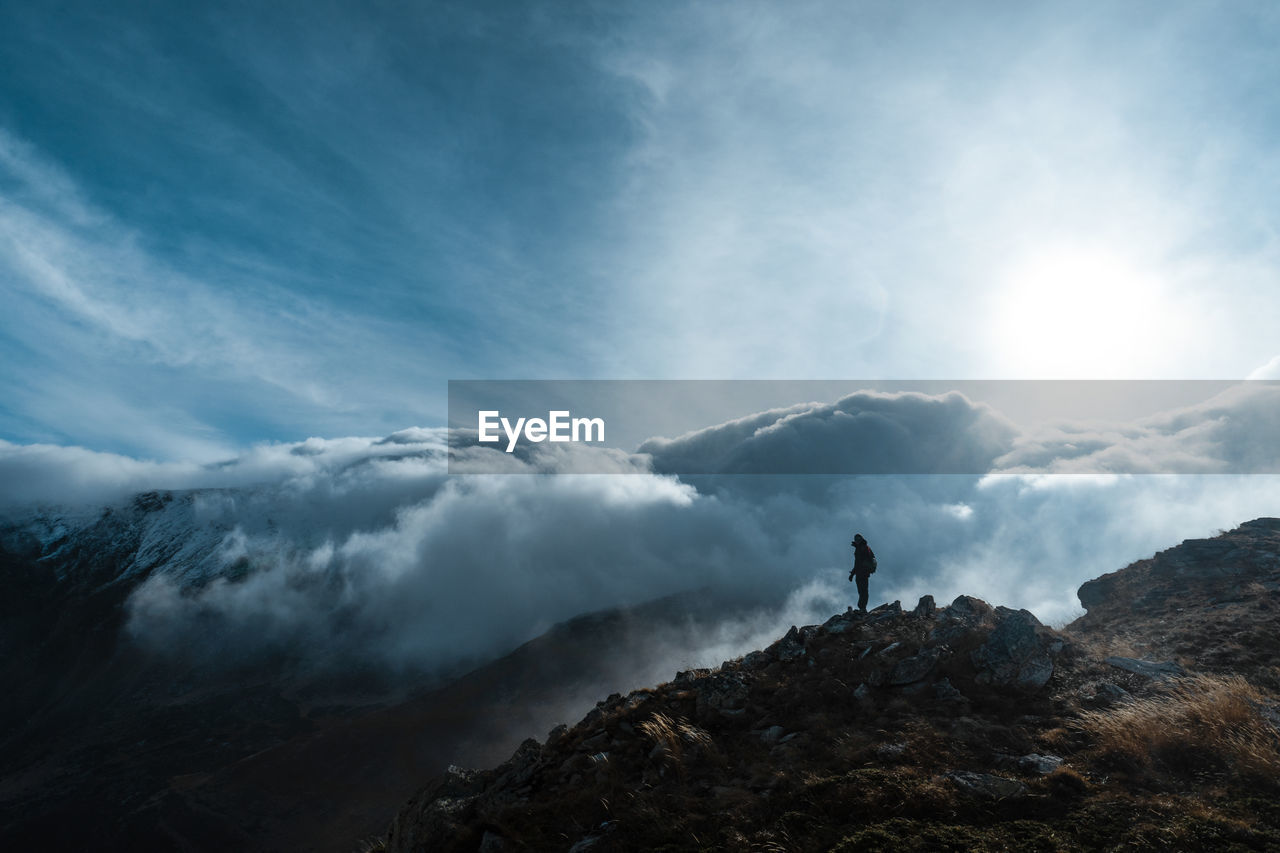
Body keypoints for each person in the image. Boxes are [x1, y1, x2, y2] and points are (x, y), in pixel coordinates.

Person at [848, 533, 876, 612]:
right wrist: (852, 574)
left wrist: (852, 574)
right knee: (862, 590)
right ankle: (862, 607)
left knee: (863, 590)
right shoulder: (861, 547)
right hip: (861, 573)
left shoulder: (862, 548)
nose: (857, 541)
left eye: (858, 539)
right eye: (856, 539)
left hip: (862, 573)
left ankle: (862, 608)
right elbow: (857, 563)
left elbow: (858, 563)